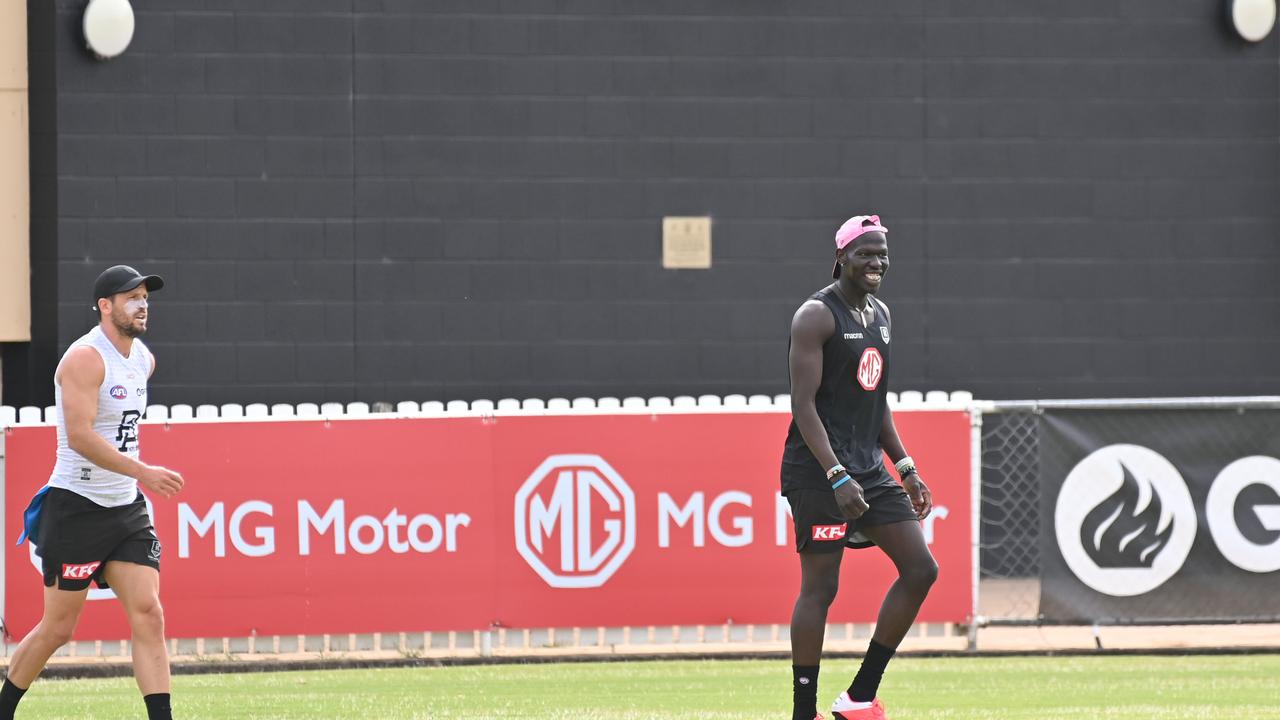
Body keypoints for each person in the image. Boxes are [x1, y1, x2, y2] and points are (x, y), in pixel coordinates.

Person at [3, 265, 184, 720]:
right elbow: (81, 437)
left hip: (125, 508)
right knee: (58, 629)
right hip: (77, 507)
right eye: (131, 297)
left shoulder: (143, 358)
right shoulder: (85, 357)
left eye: (146, 297)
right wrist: (143, 470)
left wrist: (135, 478)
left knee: (149, 612)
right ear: (105, 306)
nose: (143, 305)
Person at [781, 216, 938, 720]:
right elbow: (802, 406)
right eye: (865, 253)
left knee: (920, 569)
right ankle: (803, 711)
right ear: (842, 256)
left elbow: (877, 401)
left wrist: (906, 466)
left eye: (882, 254)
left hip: (868, 468)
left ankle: (858, 697)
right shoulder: (815, 316)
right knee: (821, 588)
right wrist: (835, 475)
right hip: (818, 468)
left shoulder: (881, 314)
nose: (876, 263)